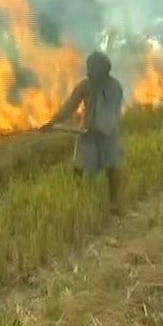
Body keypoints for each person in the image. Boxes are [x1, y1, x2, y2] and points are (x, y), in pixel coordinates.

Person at [40, 50, 124, 214]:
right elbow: (70, 106)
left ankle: (114, 203)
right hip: (87, 130)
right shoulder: (85, 85)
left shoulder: (115, 87)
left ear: (105, 70)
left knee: (111, 166)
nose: (92, 75)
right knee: (79, 165)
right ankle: (76, 199)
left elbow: (112, 111)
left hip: (108, 132)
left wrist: (102, 128)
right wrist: (53, 122)